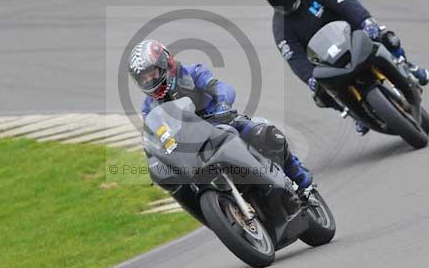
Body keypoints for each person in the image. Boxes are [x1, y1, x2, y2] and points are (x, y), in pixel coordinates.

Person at [261, 0, 429, 135]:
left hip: (351, 37)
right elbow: (294, 57)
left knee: (386, 37)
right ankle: (354, 113)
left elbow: (346, 4)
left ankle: (407, 66)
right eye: (277, 0)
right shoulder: (280, 27)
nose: (283, 1)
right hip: (326, 61)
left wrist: (366, 22)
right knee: (321, 96)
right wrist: (310, 78)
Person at [128, 39, 314, 193]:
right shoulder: (148, 108)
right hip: (192, 148)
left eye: (151, 73)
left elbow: (221, 88)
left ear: (164, 63)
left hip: (219, 122)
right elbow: (153, 137)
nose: (148, 80)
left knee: (265, 133)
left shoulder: (191, 72)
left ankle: (300, 176)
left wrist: (223, 106)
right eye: (142, 78)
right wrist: (157, 156)